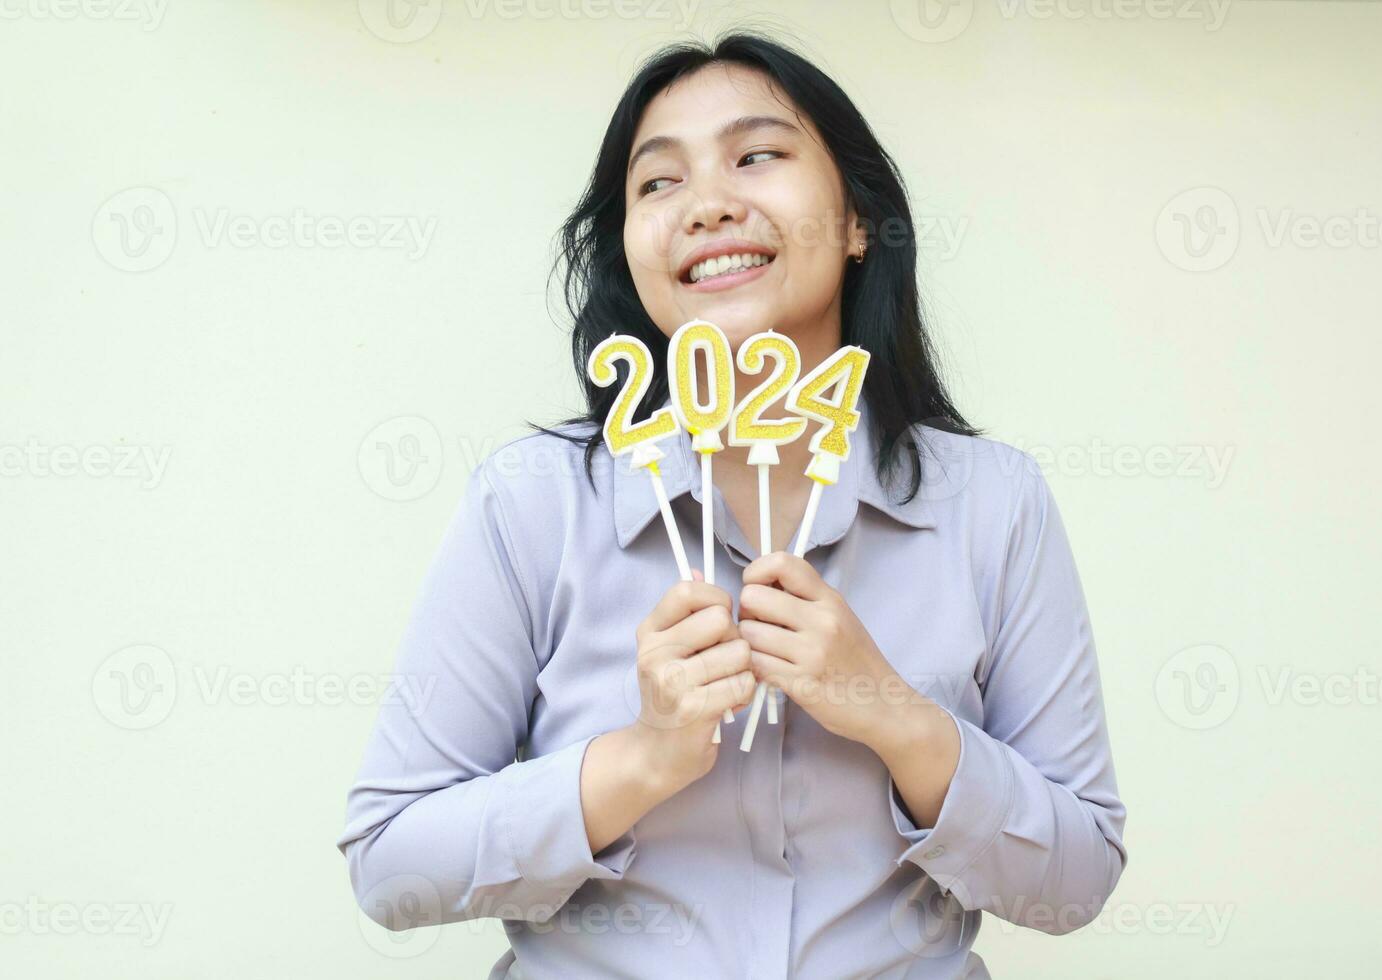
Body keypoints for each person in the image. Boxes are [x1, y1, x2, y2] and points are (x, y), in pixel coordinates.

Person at [336, 30, 1127, 978]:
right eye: (658, 183)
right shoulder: (532, 503)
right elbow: (389, 866)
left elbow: (1075, 883)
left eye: (758, 156)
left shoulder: (993, 504)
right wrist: (642, 758)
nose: (708, 205)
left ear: (856, 221)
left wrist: (890, 714)